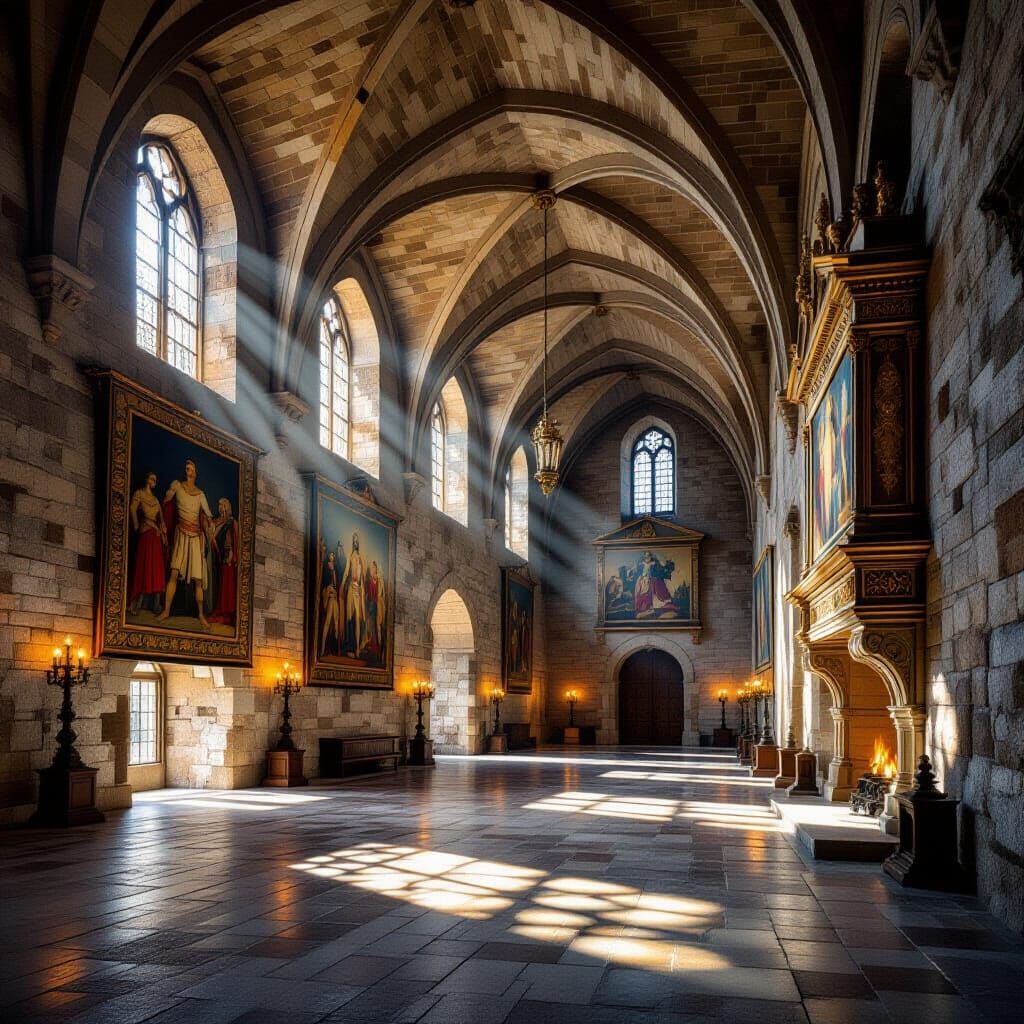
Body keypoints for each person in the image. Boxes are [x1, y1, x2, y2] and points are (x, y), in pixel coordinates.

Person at [157, 458, 213, 628]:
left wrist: (210, 524)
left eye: (191, 469)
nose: (188, 471)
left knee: (198, 581)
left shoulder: (200, 494)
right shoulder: (177, 486)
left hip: (195, 538)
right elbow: (165, 502)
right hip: (181, 534)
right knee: (174, 574)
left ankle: (201, 614)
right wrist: (162, 518)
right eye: (186, 468)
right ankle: (166, 610)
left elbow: (208, 514)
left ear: (195, 473)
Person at [128, 470, 167, 613]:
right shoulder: (140, 494)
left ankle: (156, 604)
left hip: (155, 536)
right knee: (143, 566)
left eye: (155, 480)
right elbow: (132, 508)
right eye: (152, 479)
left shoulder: (155, 500)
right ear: (147, 480)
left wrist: (163, 532)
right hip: (145, 533)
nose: (154, 482)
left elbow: (161, 519)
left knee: (156, 569)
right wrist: (136, 525)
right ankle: (135, 603)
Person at [207, 497, 238, 625]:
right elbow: (211, 536)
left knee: (227, 584)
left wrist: (232, 555)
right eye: (219, 505)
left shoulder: (231, 522)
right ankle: (219, 608)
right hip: (217, 556)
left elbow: (234, 539)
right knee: (218, 584)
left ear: (228, 507)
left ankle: (226, 611)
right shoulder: (216, 521)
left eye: (223, 505)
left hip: (227, 556)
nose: (221, 507)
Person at [340, 530, 366, 656]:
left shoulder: (360, 559)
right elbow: (346, 573)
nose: (355, 543)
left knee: (358, 618)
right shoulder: (349, 557)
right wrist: (341, 587)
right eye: (354, 540)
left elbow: (362, 579)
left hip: (358, 590)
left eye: (357, 541)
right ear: (352, 542)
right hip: (351, 587)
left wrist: (361, 589)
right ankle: (349, 646)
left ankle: (357, 648)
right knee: (349, 617)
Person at [633, 551, 676, 617]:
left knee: (655, 589)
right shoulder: (641, 564)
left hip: (652, 580)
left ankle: (655, 607)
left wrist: (664, 567)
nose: (647, 557)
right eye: (646, 556)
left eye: (648, 556)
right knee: (640, 591)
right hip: (643, 580)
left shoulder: (654, 563)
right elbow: (639, 572)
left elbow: (660, 570)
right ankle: (645, 608)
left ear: (651, 556)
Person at [320, 545, 341, 656]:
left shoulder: (335, 569)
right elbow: (325, 582)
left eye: (333, 555)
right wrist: (329, 589)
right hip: (329, 596)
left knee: (336, 622)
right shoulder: (326, 567)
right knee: (328, 622)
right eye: (330, 555)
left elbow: (336, 584)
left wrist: (333, 571)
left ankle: (336, 649)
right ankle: (323, 647)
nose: (332, 556)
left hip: (334, 596)